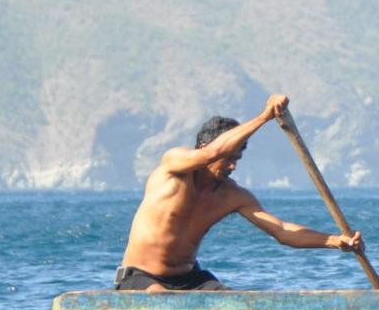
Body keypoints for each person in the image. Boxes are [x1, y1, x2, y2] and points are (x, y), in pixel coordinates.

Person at [114, 94, 363, 292]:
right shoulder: (174, 165)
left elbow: (282, 231)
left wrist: (335, 241)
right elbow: (211, 154)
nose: (233, 166)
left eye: (237, 159)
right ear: (205, 147)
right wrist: (265, 116)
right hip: (141, 278)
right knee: (160, 298)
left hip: (191, 279)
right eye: (228, 158)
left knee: (236, 302)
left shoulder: (232, 196)